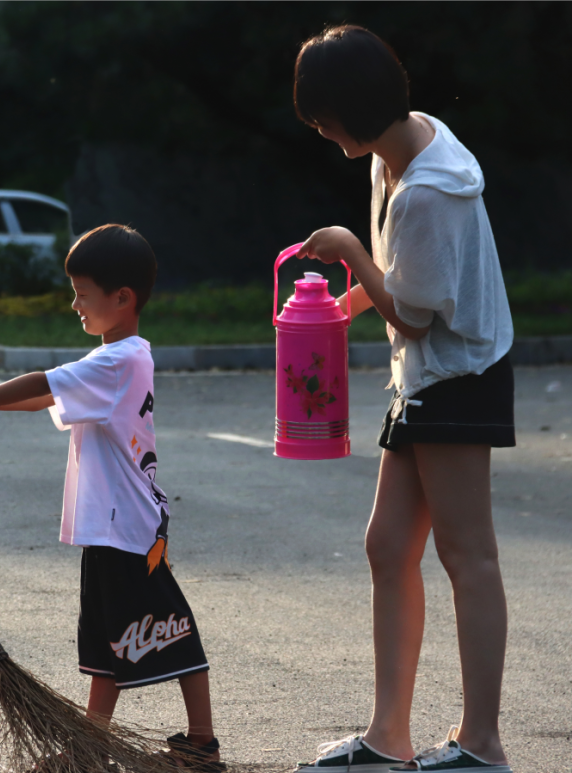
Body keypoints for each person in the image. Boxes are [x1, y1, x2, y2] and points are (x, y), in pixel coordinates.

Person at [289, 26, 515, 773]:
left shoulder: (426, 188)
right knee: (388, 545)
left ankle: (482, 744)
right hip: (423, 375)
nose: (321, 130)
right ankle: (389, 738)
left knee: (467, 553)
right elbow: (409, 282)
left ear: (353, 106)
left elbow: (417, 314)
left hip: (458, 374)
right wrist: (337, 307)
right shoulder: (400, 151)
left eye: (323, 117)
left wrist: (353, 249)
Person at [0, 224, 223, 771]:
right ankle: (93, 745)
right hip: (119, 525)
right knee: (108, 643)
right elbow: (47, 394)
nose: (73, 304)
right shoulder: (119, 359)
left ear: (122, 299)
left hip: (126, 527)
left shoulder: (117, 361)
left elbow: (40, 379)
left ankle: (203, 743)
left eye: (81, 293)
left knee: (171, 631)